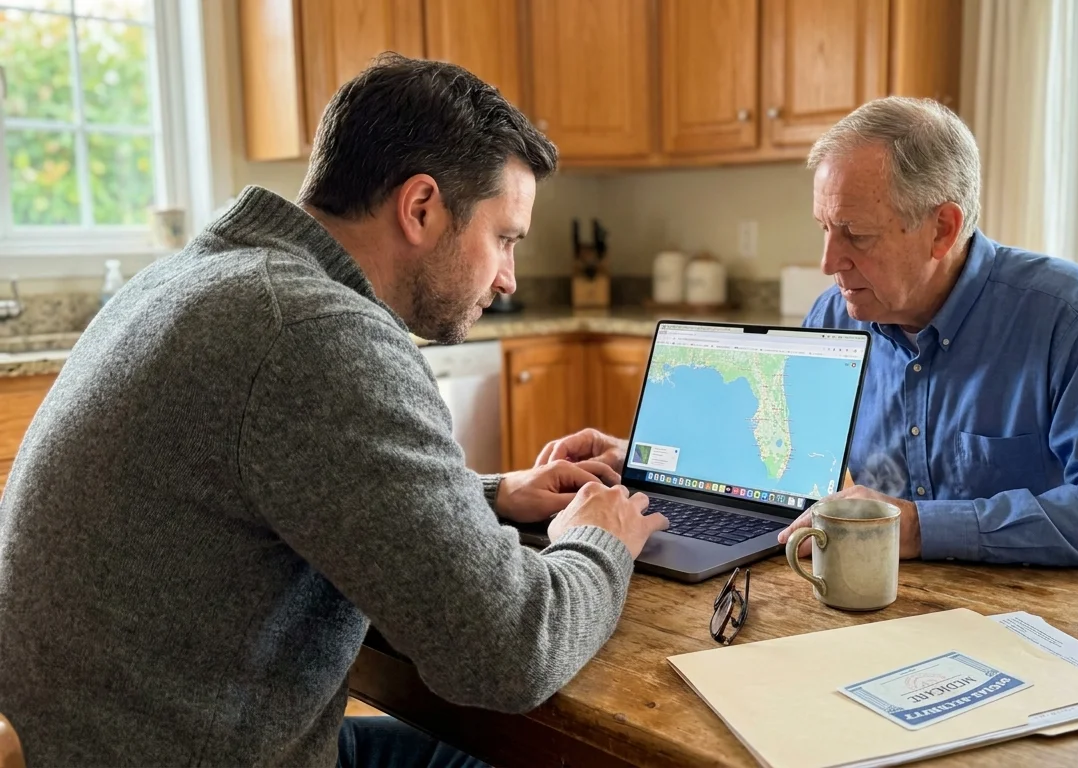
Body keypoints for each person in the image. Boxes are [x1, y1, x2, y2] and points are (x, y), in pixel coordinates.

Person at [0, 55, 666, 767]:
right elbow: (509, 653)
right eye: (504, 239)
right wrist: (599, 539)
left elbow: (276, 487)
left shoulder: (199, 276)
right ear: (420, 208)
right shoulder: (315, 331)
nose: (507, 279)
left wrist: (493, 495)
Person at [546, 97, 1078, 569]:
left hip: (1037, 632)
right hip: (868, 612)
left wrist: (920, 528)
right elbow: (782, 463)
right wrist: (638, 455)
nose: (829, 261)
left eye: (857, 234)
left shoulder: (1070, 316)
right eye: (825, 227)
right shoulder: (834, 315)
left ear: (942, 228)